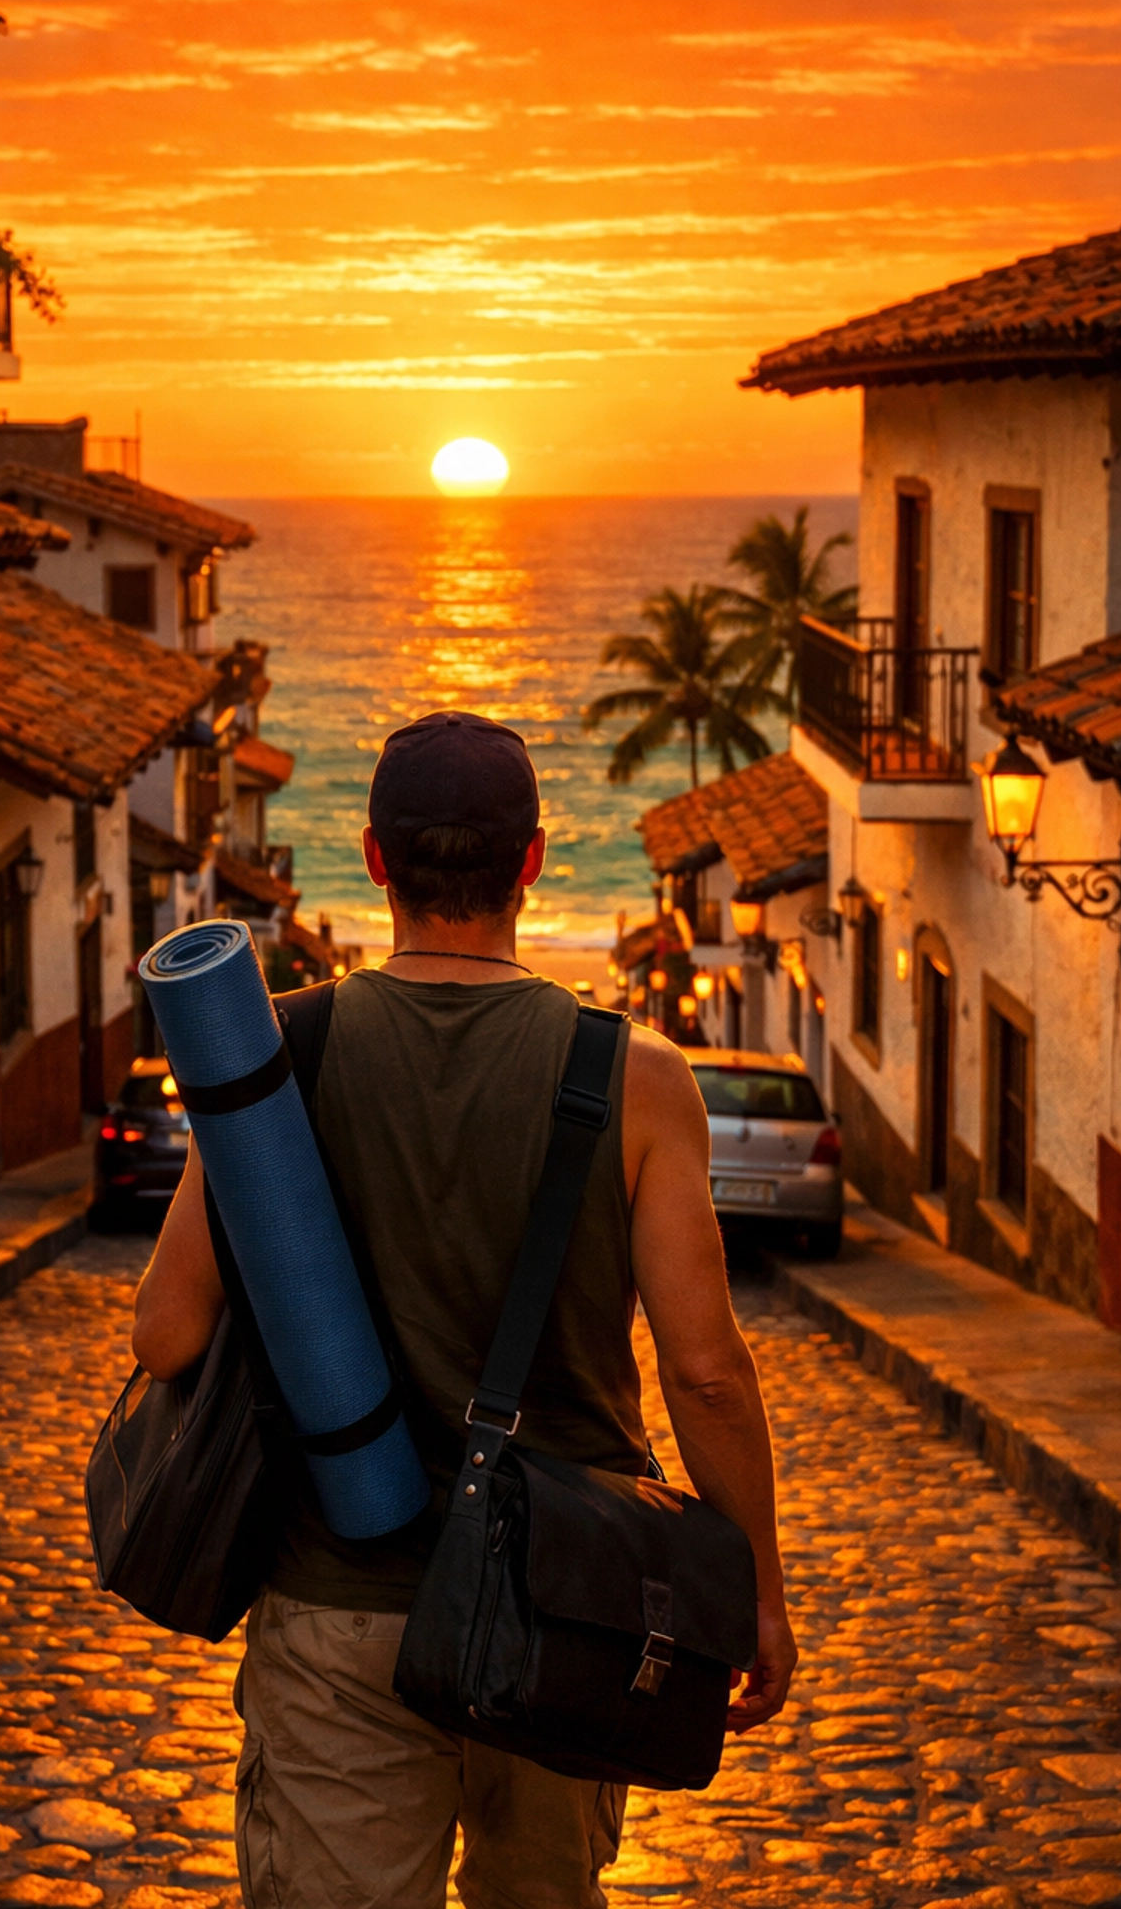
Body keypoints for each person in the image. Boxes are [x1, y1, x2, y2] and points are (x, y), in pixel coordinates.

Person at [133, 710, 797, 1909]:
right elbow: (707, 1374)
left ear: (375, 860)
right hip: (573, 1612)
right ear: (534, 861)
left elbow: (167, 1335)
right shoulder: (638, 1077)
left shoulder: (279, 1053)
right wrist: (755, 1592)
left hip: (340, 1604)